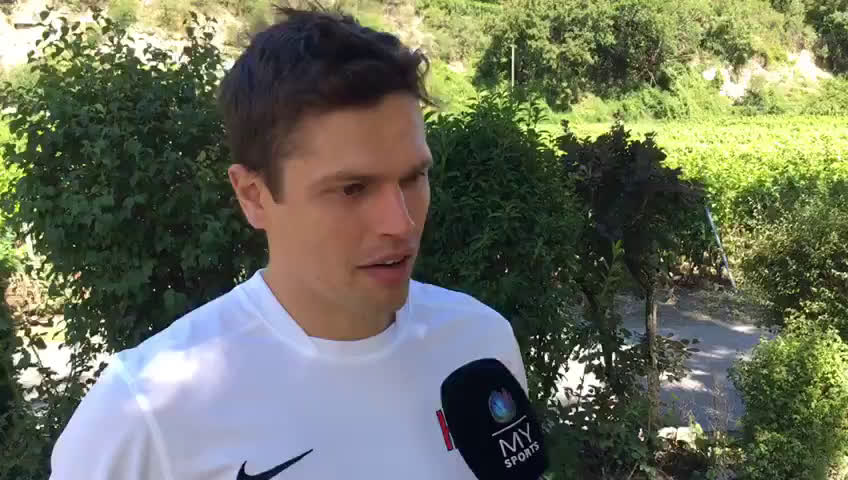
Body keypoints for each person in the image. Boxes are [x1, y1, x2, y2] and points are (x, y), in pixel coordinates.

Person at [48, 6, 528, 480]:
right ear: (253, 196)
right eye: (352, 188)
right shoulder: (144, 416)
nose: (400, 223)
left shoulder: (479, 341)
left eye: (413, 177)